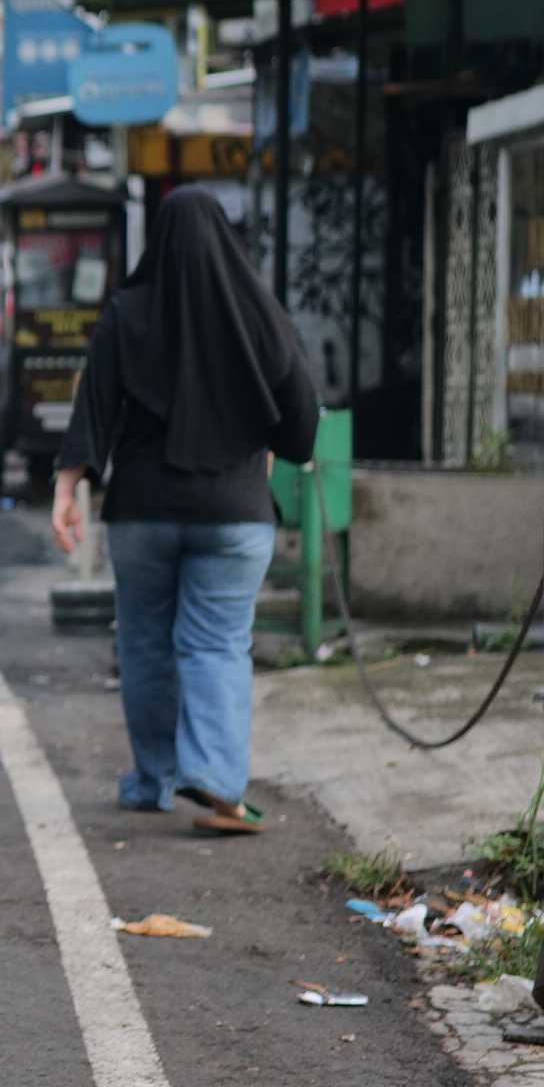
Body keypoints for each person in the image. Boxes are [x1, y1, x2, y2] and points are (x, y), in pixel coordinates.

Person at [54, 190, 319, 835]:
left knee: (144, 644)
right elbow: (302, 425)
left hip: (142, 509)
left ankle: (153, 781)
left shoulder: (127, 312)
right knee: (217, 645)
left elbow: (94, 407)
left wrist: (66, 489)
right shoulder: (261, 313)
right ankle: (220, 782)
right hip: (235, 512)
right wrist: (270, 444)